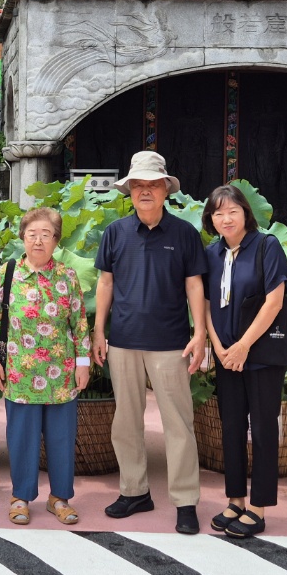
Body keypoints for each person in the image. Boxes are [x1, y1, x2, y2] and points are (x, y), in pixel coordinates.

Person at [93, 150, 209, 534]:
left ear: (165, 190)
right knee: (125, 422)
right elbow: (105, 283)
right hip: (124, 340)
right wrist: (98, 330)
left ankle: (186, 500)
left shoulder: (185, 234)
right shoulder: (116, 233)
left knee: (179, 424)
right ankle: (134, 491)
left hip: (171, 342)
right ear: (129, 191)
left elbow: (195, 285)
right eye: (138, 185)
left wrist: (200, 333)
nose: (145, 191)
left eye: (152, 185)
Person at [0, 207, 91, 526]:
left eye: (46, 234)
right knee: (21, 438)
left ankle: (59, 497)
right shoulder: (8, 272)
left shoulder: (67, 276)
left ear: (56, 240)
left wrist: (83, 363)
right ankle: (21, 496)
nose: (38, 240)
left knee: (61, 439)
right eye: (32, 234)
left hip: (61, 374)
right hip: (20, 373)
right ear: (23, 238)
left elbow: (80, 324)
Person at [202, 185, 287, 539]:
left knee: (264, 428)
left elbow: (274, 301)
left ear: (245, 213)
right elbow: (206, 303)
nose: (226, 218)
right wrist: (219, 346)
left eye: (232, 211)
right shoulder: (211, 253)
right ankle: (235, 499)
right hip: (226, 355)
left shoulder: (266, 246)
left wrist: (242, 346)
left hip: (260, 356)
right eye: (218, 213)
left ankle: (259, 507)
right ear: (211, 218)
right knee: (231, 426)